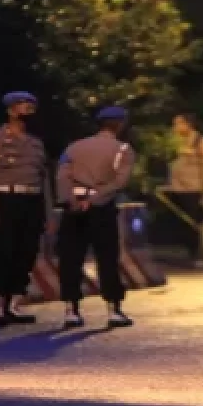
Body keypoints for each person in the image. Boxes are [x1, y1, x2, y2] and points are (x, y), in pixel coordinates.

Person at [0, 91, 52, 325]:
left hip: (32, 201)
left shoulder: (36, 143)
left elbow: (44, 179)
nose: (28, 109)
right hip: (4, 199)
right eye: (22, 105)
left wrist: (47, 213)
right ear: (10, 110)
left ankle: (15, 303)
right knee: (0, 253)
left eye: (31, 105)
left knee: (26, 253)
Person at [56, 105, 136, 329]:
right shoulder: (123, 150)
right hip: (101, 207)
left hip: (73, 208)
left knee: (70, 258)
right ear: (120, 124)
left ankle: (71, 310)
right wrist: (94, 200)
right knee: (107, 257)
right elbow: (119, 182)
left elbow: (62, 176)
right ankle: (114, 310)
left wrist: (71, 200)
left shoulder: (74, 147)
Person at [167, 114, 203, 266]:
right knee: (180, 224)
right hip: (176, 188)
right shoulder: (174, 143)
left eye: (179, 124)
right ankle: (184, 254)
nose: (175, 127)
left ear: (189, 125)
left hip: (194, 189)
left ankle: (197, 255)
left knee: (193, 224)